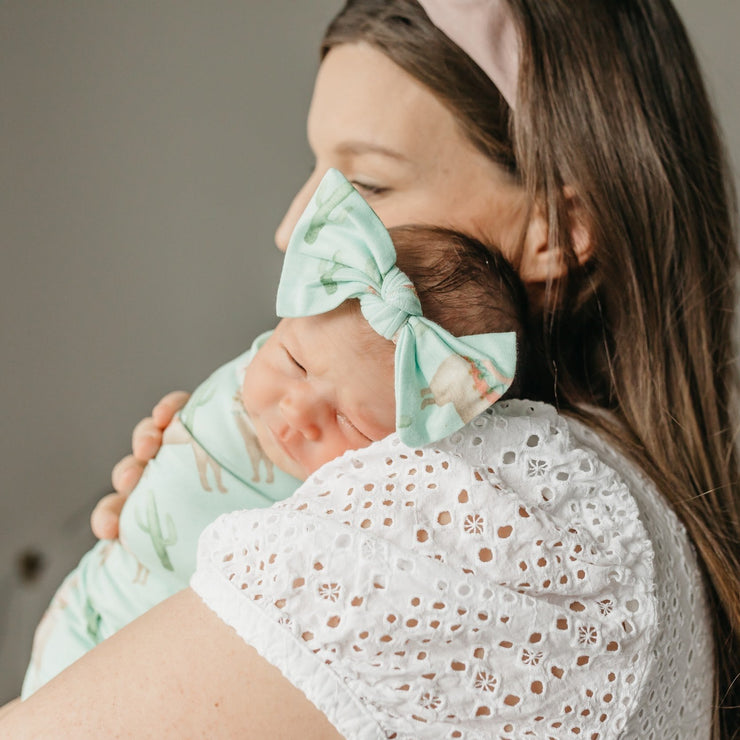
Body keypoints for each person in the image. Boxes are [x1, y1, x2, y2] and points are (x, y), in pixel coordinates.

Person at [3, 0, 739, 737]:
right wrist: (182, 558)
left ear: (557, 229)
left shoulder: (482, 505)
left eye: (370, 184)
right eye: (317, 172)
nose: (295, 230)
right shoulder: (610, 500)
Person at [21, 167, 526, 698]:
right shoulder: (284, 348)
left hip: (157, 669)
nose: (297, 408)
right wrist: (175, 430)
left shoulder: (366, 505)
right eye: (292, 362)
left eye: (350, 422)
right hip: (93, 593)